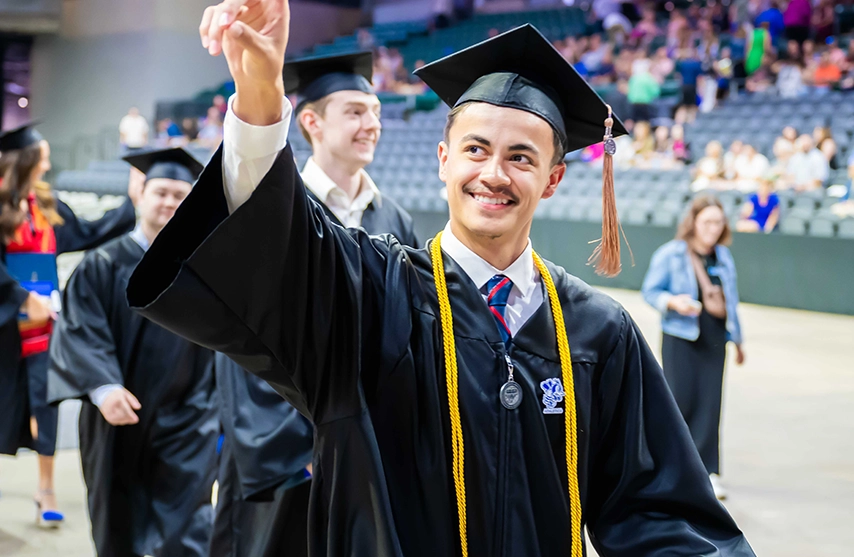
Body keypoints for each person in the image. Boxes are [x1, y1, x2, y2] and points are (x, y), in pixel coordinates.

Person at [130, 8, 754, 556]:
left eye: (521, 157)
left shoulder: (598, 331)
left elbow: (657, 507)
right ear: (444, 160)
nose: (494, 173)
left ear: (554, 180)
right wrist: (261, 94)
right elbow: (271, 252)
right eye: (476, 150)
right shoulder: (373, 290)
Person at [210, 51, 419, 557]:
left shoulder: (395, 219)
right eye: (354, 111)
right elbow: (244, 343)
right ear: (311, 122)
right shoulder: (277, 210)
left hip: (369, 451)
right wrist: (304, 450)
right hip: (288, 460)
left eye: (376, 113)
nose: (371, 124)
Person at [48, 147, 218, 557]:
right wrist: (104, 387)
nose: (170, 203)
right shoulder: (102, 265)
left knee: (185, 529)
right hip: (115, 421)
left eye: (180, 195)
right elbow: (80, 330)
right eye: (161, 192)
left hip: (186, 421)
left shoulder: (205, 270)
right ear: (139, 192)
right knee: (116, 524)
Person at [0, 124, 137, 527]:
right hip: (6, 326)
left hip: (43, 330)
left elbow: (90, 233)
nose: (47, 160)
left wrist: (130, 203)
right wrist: (20, 298)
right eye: (41, 154)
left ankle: (46, 491)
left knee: (46, 406)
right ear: (25, 160)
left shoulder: (46, 204)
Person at [642, 196, 745, 501]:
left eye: (718, 223)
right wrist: (674, 302)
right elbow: (651, 290)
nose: (713, 229)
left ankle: (707, 473)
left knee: (710, 405)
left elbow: (733, 300)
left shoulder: (723, 257)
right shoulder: (671, 254)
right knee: (679, 402)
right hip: (680, 336)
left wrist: (738, 340)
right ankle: (672, 469)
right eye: (707, 222)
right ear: (694, 223)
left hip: (715, 339)